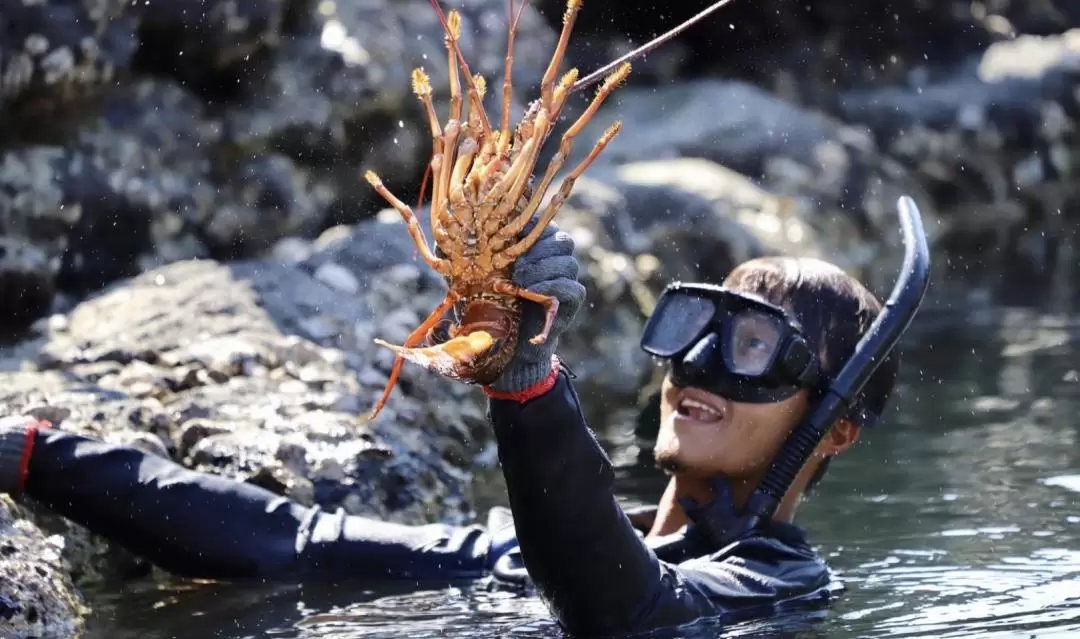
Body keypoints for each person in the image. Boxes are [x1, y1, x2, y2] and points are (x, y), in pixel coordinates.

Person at [0, 222, 905, 638]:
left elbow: (627, 615)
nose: (699, 368)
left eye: (752, 347)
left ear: (834, 431)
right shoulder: (544, 546)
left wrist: (530, 387)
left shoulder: (775, 591)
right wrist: (38, 456)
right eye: (695, 330)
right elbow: (294, 544)